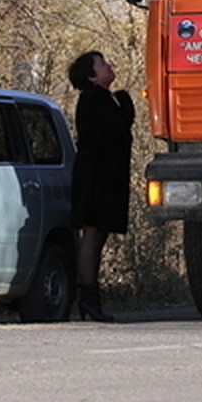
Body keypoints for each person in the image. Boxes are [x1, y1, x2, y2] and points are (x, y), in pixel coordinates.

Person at [68, 50, 134, 322]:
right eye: (102, 64)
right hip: (95, 177)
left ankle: (91, 297)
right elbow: (120, 125)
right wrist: (127, 102)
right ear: (91, 75)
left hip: (107, 176)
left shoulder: (105, 98)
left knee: (100, 235)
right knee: (92, 234)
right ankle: (88, 297)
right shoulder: (95, 99)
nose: (109, 66)